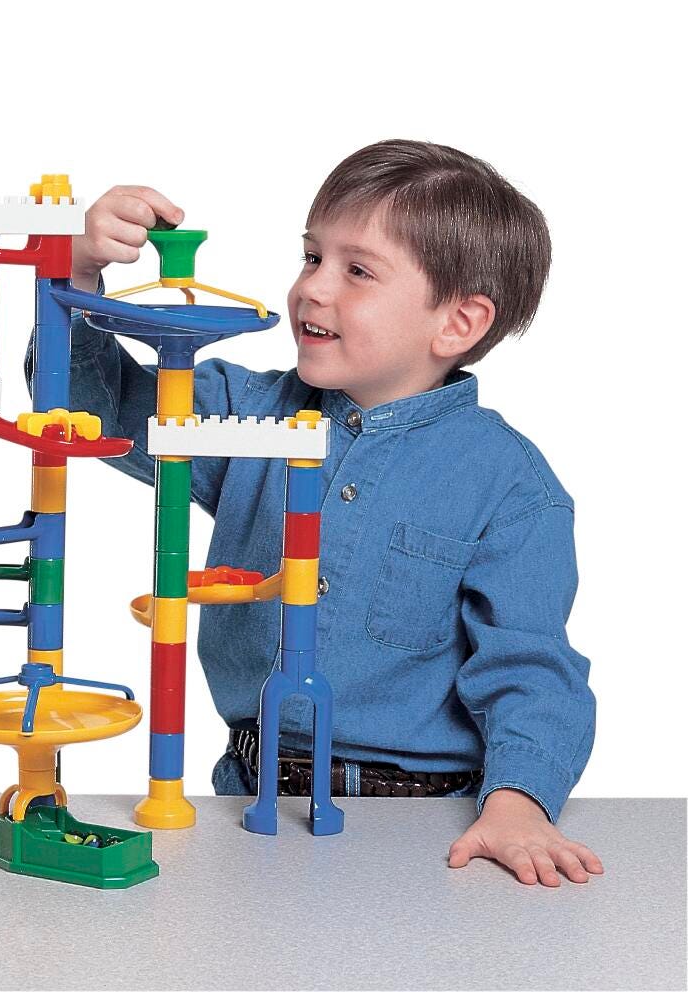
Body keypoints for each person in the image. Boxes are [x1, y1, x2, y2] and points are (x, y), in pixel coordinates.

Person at [36, 140, 603, 886]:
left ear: (457, 323)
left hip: (421, 821)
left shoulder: (511, 486)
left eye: (357, 270)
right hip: (248, 797)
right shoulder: (244, 410)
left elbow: (530, 667)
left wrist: (518, 804)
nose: (313, 288)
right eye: (311, 256)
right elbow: (89, 410)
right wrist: (77, 275)